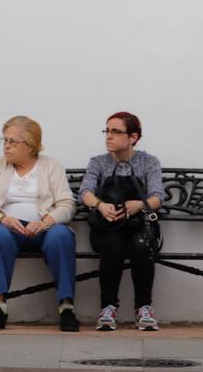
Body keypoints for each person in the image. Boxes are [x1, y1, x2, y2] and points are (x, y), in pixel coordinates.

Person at [0, 115, 79, 331]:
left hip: (44, 229)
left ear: (31, 146)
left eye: (13, 141)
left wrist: (46, 221)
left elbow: (67, 204)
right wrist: (3, 219)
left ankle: (66, 306)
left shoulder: (51, 166)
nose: (6, 146)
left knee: (61, 235)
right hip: (9, 229)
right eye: (4, 140)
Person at [80, 111, 163, 331]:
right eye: (107, 131)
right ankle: (108, 308)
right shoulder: (98, 162)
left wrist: (139, 205)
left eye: (116, 132)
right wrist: (100, 206)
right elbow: (85, 192)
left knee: (141, 245)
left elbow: (157, 196)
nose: (109, 136)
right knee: (113, 246)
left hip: (139, 226)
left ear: (133, 137)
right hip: (108, 226)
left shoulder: (148, 162)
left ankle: (143, 308)